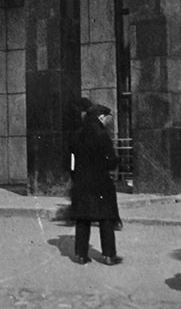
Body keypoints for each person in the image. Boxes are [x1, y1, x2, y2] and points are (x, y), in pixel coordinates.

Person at [69, 103, 121, 265]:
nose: (108, 122)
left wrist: (76, 176)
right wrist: (114, 162)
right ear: (101, 117)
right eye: (107, 118)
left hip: (81, 183)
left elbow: (70, 161)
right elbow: (110, 161)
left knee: (82, 219)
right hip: (100, 183)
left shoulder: (76, 135)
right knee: (106, 218)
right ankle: (108, 255)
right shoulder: (102, 135)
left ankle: (80, 255)